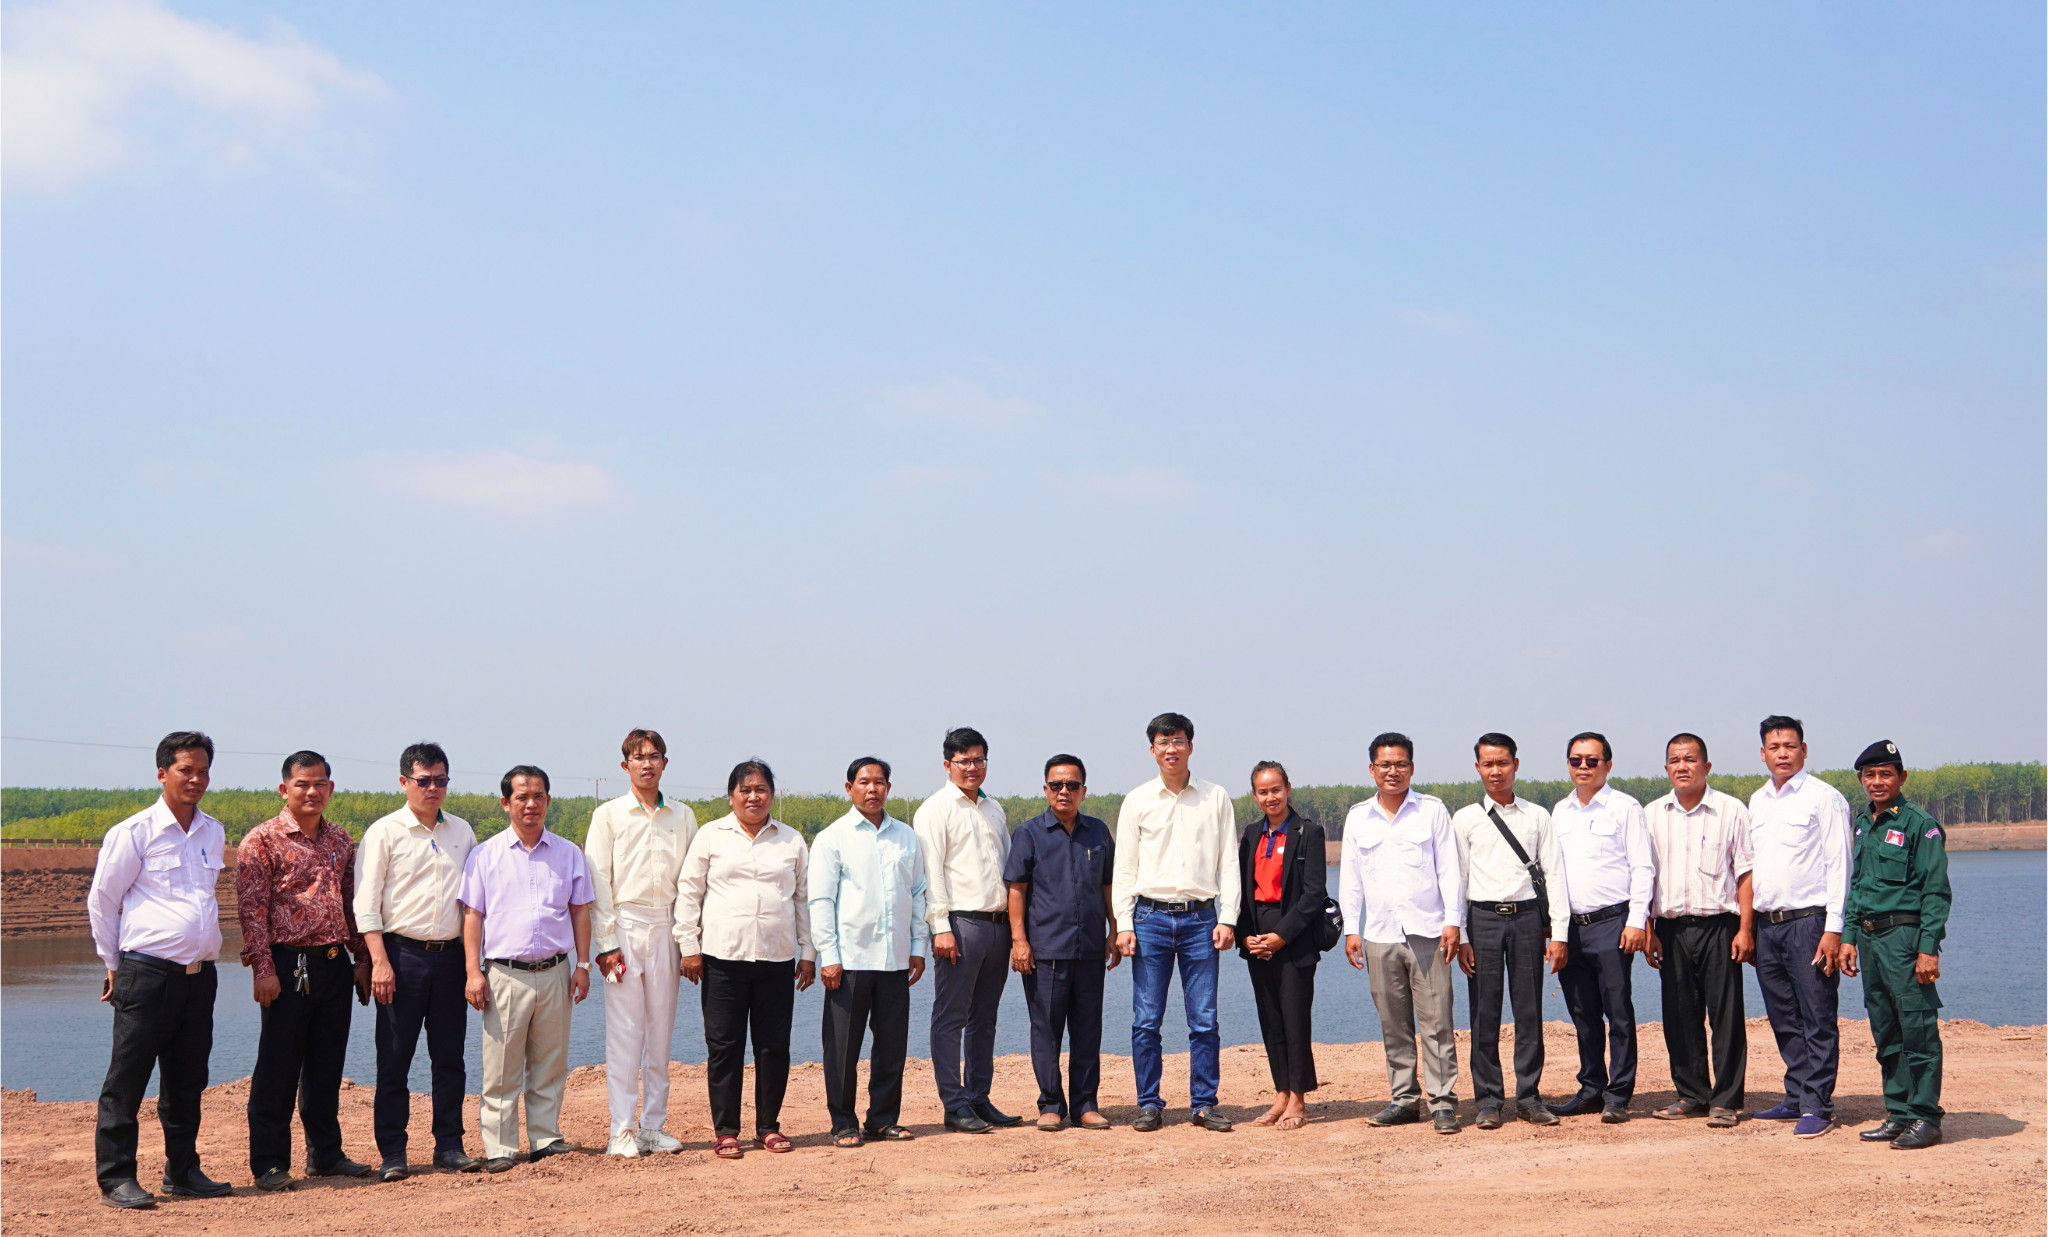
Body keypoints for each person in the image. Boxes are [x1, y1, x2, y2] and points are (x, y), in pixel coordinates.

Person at [88, 732, 234, 1209]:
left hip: (199, 977)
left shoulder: (213, 831)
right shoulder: (134, 833)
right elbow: (103, 902)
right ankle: (116, 1178)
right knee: (127, 1079)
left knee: (187, 1080)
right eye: (185, 770)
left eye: (203, 771)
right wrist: (114, 965)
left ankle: (183, 1170)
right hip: (146, 973)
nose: (195, 779)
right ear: (161, 773)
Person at [237, 751, 375, 1190]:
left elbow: (351, 904)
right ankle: (270, 1163)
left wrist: (363, 959)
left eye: (320, 784)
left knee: (325, 1066)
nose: (312, 792)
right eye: (302, 784)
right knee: (278, 1066)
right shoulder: (262, 841)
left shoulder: (339, 838)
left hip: (335, 965)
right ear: (284, 789)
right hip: (287, 964)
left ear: (330, 790)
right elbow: (251, 912)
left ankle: (326, 1155)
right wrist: (263, 968)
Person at [675, 759, 816, 1160]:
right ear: (731, 795)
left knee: (774, 1046)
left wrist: (808, 952)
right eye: (745, 790)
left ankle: (768, 1127)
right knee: (724, 1046)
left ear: (772, 794)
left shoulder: (791, 840)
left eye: (761, 790)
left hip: (776, 959)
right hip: (722, 958)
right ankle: (726, 1130)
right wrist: (689, 947)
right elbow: (690, 894)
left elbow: (802, 900)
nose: (753, 797)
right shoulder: (710, 836)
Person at [353, 741, 480, 1180]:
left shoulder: (462, 833)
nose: (432, 788)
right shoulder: (384, 832)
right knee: (394, 1058)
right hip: (400, 958)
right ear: (404, 782)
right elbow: (366, 905)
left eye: (440, 780)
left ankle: (449, 1145)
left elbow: (472, 906)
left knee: (450, 1059)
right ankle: (393, 1152)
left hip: (449, 959)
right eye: (423, 780)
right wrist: (379, 962)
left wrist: (471, 968)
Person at [459, 765, 595, 1172]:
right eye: (522, 796)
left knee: (550, 1062)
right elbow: (472, 917)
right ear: (506, 803)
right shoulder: (484, 855)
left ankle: (545, 1137)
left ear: (549, 800)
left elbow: (580, 912)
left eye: (538, 795)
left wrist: (583, 965)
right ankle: (500, 1147)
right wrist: (472, 971)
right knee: (501, 1066)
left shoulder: (569, 853)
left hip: (556, 970)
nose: (531, 803)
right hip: (504, 973)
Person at [1112, 712, 1239, 1133]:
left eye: (1179, 740)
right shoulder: (1137, 800)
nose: (1171, 748)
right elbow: (1125, 869)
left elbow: (1229, 863)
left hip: (1202, 919)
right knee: (1146, 1018)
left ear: (1191, 746)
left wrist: (1229, 917)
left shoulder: (1215, 797)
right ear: (1152, 750)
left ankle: (1203, 1103)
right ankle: (1149, 1103)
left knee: (1204, 1018)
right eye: (1163, 742)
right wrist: (1124, 923)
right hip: (1149, 918)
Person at [1339, 732, 1464, 1135]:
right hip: (1379, 934)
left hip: (1429, 932)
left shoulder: (1431, 811)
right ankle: (1404, 1099)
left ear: (1412, 767)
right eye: (1385, 765)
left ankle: (1443, 1102)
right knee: (1393, 1023)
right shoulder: (1359, 816)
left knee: (1437, 1021)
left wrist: (1453, 921)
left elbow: (1450, 870)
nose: (1393, 772)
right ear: (1372, 769)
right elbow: (1351, 878)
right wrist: (1351, 928)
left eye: (1401, 764)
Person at [586, 728, 698, 1157]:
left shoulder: (682, 816)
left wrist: (689, 943)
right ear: (625, 765)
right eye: (638, 757)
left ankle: (652, 1126)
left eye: (654, 756)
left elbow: (689, 884)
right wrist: (607, 944)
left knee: (661, 1030)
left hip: (667, 926)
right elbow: (599, 881)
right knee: (625, 1033)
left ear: (665, 763)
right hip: (626, 926)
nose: (647, 763)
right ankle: (621, 1130)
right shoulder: (610, 815)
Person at [1450, 733, 1569, 1129]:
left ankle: (1530, 1097)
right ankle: (1487, 1100)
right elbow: (1458, 881)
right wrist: (1463, 936)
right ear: (1478, 768)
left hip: (1528, 919)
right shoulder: (1465, 819)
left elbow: (1554, 875)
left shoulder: (1537, 816)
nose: (1496, 771)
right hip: (1481, 920)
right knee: (1484, 1012)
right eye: (1488, 764)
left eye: (1503, 763)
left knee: (1528, 1011)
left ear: (1516, 764)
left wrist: (1560, 934)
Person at [810, 757, 930, 1147]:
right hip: (849, 960)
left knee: (892, 1044)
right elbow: (821, 901)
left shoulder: (906, 837)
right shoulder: (833, 837)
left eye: (880, 782)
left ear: (889, 789)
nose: (872, 789)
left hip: (894, 959)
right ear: (849, 788)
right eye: (864, 782)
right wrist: (828, 954)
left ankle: (882, 1119)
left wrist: (917, 946)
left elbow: (917, 895)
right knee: (843, 1048)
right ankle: (843, 1122)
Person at [1745, 714, 1853, 1138]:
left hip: (1809, 924)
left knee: (1817, 1014)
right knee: (1783, 1016)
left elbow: (1839, 865)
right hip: (1768, 926)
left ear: (1804, 750)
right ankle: (1796, 1094)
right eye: (1775, 747)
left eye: (1790, 746)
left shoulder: (1823, 798)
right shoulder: (1758, 801)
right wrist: (1749, 926)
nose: (1783, 754)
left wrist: (1833, 929)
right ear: (1763, 754)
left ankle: (1818, 1105)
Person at [1839, 740, 1951, 1151]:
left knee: (1917, 1029)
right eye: (1870, 775)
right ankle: (1899, 1112)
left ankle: (1926, 1117)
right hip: (1870, 938)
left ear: (1901, 778)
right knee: (1886, 1031)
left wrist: (1928, 948)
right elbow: (1858, 886)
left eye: (1886, 774)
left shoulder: (1920, 825)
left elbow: (1936, 893)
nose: (1877, 781)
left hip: (1905, 939)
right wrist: (1849, 937)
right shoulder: (1862, 823)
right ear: (1861, 780)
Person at [1642, 733, 1753, 1128]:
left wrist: (1745, 929)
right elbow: (1645, 877)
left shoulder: (1730, 810)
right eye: (1674, 760)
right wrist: (1648, 928)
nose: (1682, 766)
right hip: (1670, 929)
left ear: (1707, 766)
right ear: (1667, 768)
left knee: (1725, 1015)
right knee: (1679, 1015)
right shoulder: (1652, 814)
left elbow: (1745, 873)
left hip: (1719, 927)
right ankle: (1692, 1094)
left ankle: (1725, 1099)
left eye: (1690, 759)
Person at [1005, 754, 1120, 1131]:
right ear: (1046, 790)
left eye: (1072, 785)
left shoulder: (1098, 832)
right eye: (1057, 785)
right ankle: (1051, 1105)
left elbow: (1108, 885)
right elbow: (1017, 890)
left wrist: (1114, 931)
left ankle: (1086, 1104)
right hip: (1045, 951)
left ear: (1084, 791)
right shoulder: (1029, 833)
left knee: (1088, 1030)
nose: (1064, 791)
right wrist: (1018, 940)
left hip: (1088, 948)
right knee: (1046, 1030)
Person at [913, 726, 1018, 1134]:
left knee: (985, 1017)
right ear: (947, 764)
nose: (972, 768)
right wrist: (940, 927)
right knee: (951, 1016)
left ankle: (979, 1097)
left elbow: (1010, 870)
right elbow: (931, 874)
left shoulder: (994, 809)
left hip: (997, 925)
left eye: (978, 760)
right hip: (960, 924)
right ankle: (954, 1105)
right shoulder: (935, 809)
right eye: (964, 761)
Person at [1545, 732, 1654, 1124]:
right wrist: (1553, 926)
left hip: (1612, 924)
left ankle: (1618, 1095)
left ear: (1608, 764)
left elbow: (1643, 867)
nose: (1584, 767)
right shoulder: (1559, 812)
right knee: (1583, 1013)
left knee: (1618, 1012)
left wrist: (1636, 921)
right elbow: (1551, 874)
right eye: (1577, 760)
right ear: (1568, 765)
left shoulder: (1625, 808)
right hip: (1571, 928)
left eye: (1593, 760)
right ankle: (1591, 1089)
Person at [1236, 761, 1329, 1130]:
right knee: (1270, 1019)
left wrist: (1282, 935)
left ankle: (1298, 1099)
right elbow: (1242, 891)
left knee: (1294, 1019)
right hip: (1258, 937)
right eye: (1263, 791)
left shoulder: (1309, 832)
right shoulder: (1250, 834)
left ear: (1288, 788)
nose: (1270, 797)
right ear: (1255, 795)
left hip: (1294, 938)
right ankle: (1280, 1093)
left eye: (1276, 789)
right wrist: (1246, 934)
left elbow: (1313, 894)